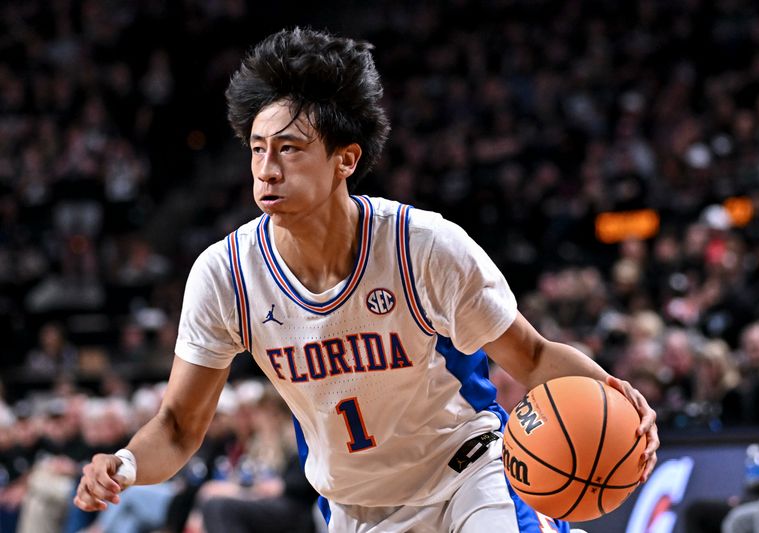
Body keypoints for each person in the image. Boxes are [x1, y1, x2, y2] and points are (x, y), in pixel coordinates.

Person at [74, 27, 659, 532]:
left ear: (345, 159)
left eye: (290, 149)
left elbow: (531, 358)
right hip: (355, 509)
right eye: (256, 149)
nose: (266, 169)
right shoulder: (226, 275)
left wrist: (620, 400)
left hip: (468, 479)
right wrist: (123, 464)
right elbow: (179, 427)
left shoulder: (423, 246)